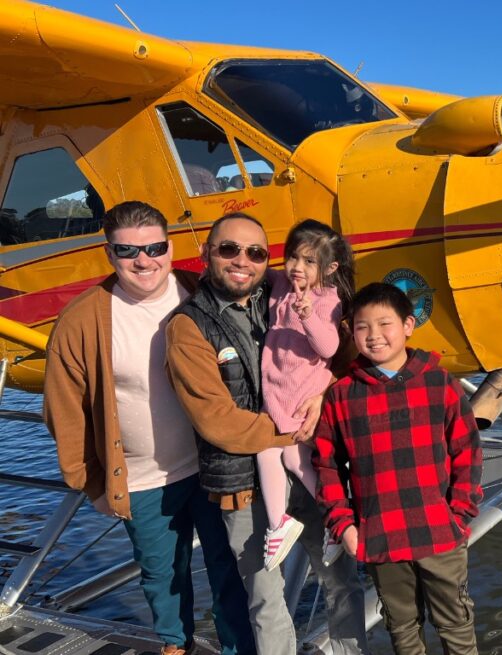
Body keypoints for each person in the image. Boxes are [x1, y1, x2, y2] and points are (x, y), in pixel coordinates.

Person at [43, 201, 255, 655]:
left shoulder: (201, 292)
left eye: (155, 247)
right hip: (141, 479)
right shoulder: (81, 321)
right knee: (163, 577)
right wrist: (93, 484)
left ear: (170, 248)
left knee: (230, 569)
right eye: (128, 251)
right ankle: (175, 646)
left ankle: (240, 648)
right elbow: (63, 413)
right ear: (109, 253)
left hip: (213, 467)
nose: (144, 260)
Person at [164, 212, 367, 655]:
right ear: (206, 254)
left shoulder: (280, 288)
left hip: (309, 461)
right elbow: (216, 418)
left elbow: (344, 352)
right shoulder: (188, 325)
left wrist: (327, 389)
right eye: (228, 249)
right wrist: (286, 436)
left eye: (256, 252)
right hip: (244, 479)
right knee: (265, 598)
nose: (243, 260)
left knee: (340, 579)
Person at [314, 282, 483, 655]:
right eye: (362, 327)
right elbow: (326, 465)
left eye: (385, 324)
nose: (374, 336)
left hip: (439, 531)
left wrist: (460, 514)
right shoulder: (342, 395)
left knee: (455, 624)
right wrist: (344, 526)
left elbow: (467, 452)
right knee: (402, 629)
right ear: (350, 332)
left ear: (408, 325)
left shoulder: (440, 383)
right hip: (381, 536)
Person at [258, 219, 354, 570]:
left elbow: (328, 347)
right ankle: (335, 521)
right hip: (280, 385)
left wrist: (308, 315)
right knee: (295, 460)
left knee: (269, 449)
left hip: (300, 390)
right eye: (293, 257)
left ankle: (278, 522)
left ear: (329, 268)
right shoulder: (281, 281)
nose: (297, 267)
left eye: (309, 262)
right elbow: (257, 273)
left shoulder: (327, 299)